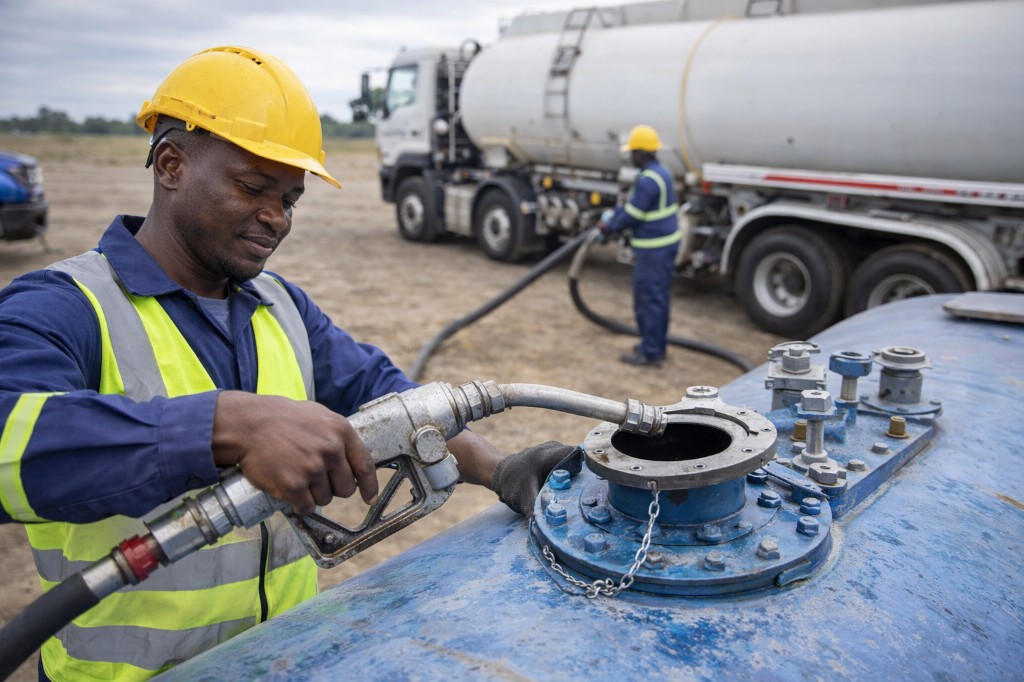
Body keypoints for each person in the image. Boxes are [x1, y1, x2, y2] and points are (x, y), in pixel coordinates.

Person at [0, 46, 573, 681]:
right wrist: (225, 425)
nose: (276, 218)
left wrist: (500, 470)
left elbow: (385, 395)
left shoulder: (280, 305)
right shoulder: (65, 307)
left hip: (284, 661)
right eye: (252, 186)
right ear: (170, 164)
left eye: (291, 199)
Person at [599, 124, 681, 367]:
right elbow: (634, 209)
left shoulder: (647, 180)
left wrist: (608, 227)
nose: (631, 157)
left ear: (642, 153)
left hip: (653, 250)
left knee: (648, 300)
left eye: (633, 152)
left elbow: (632, 215)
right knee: (658, 299)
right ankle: (655, 345)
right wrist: (616, 214)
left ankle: (650, 353)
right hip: (663, 248)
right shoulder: (661, 171)